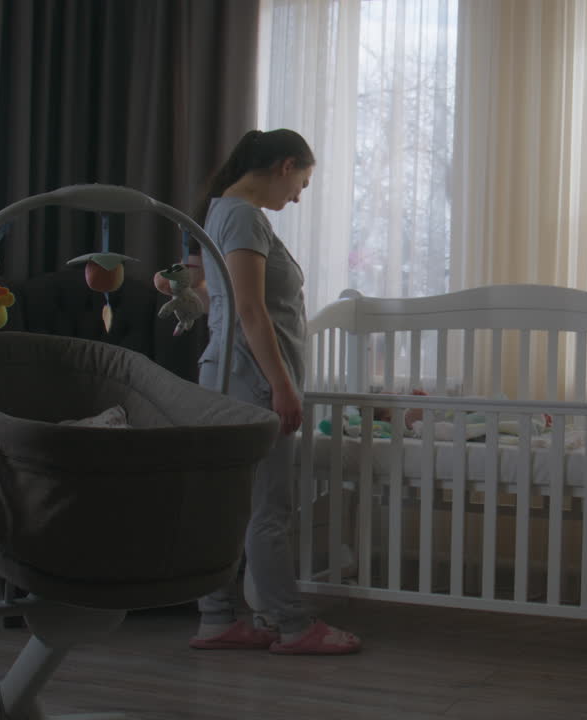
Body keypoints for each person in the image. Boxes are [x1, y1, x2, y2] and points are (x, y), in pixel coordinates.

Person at [189, 128, 361, 654]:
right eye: (302, 182)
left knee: (230, 507)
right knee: (268, 509)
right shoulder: (242, 215)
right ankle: (291, 624)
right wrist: (282, 387)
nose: (300, 195)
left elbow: (219, 302)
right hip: (250, 381)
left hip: (230, 375)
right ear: (285, 166)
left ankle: (217, 618)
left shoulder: (221, 211)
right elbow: (250, 310)